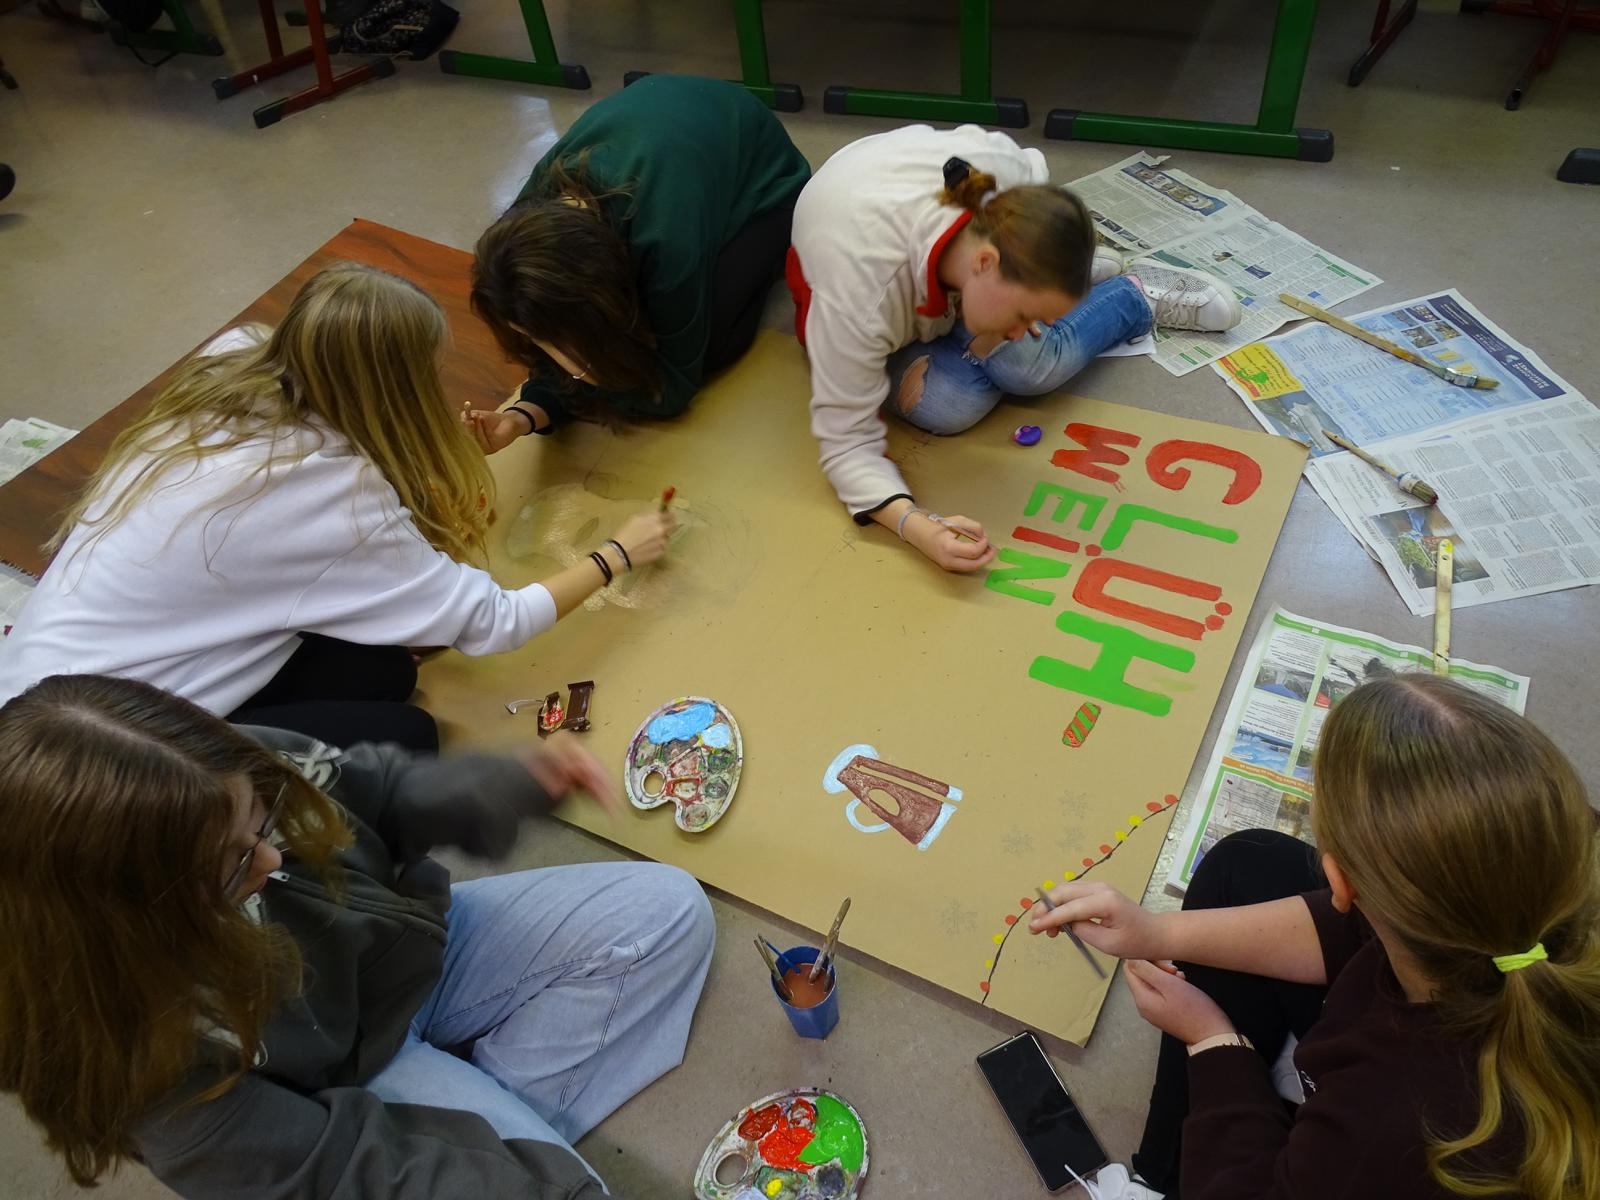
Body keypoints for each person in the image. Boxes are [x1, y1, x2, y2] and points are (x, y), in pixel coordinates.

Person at [0, 672, 715, 1198]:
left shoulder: (208, 771)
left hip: (404, 957)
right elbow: (336, 1169)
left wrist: (494, 787)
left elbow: (369, 788)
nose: (273, 859)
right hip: (336, 1090)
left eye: (262, 821)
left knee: (669, 908)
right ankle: (466, 1114)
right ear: (128, 924)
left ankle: (473, 1107)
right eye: (232, 868)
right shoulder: (132, 1059)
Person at [0, 264, 675, 752]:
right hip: (93, 746)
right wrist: (617, 555)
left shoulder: (235, 357)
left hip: (66, 662)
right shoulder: (333, 502)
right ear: (394, 390)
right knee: (407, 737)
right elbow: (497, 622)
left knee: (387, 669)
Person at [1029, 675, 1600, 1200]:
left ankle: (1162, 1185)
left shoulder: (1385, 1128)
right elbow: (1345, 925)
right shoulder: (1571, 864)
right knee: (1247, 865)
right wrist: (1156, 931)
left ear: (1341, 884)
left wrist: (1211, 1040)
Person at [786, 123, 1243, 574]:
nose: (1026, 329)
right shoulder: (858, 302)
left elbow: (1031, 166)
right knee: (948, 404)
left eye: (1035, 314)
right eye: (1025, 315)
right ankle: (1112, 295)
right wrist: (914, 525)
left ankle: (1116, 295)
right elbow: (847, 444)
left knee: (1030, 366)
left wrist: (1011, 316)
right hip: (870, 297)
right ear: (986, 263)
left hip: (943, 274)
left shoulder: (1005, 178)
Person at [464, 74, 812, 449]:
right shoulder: (521, 224)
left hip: (770, 185)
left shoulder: (664, 240)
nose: (552, 352)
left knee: (712, 344)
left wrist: (584, 374)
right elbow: (561, 330)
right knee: (610, 343)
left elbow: (669, 390)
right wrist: (523, 415)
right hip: (682, 128)